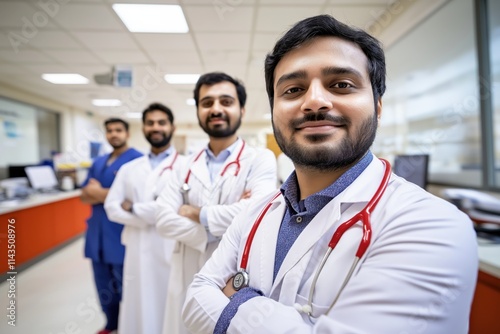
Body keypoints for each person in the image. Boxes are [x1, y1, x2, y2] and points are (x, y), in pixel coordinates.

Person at [182, 15, 478, 333]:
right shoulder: (254, 214)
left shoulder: (433, 226)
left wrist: (236, 302)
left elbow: (209, 310)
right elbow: (193, 303)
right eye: (293, 90)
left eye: (341, 85)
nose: (314, 102)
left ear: (377, 106)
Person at [155, 72, 278, 334]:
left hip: (233, 276)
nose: (216, 109)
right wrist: (213, 230)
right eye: (207, 103)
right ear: (198, 110)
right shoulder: (183, 165)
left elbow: (258, 213)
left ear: (241, 109)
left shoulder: (260, 159)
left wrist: (194, 212)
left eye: (226, 101)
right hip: (186, 269)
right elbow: (163, 220)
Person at [104, 103, 185, 334]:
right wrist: (156, 213)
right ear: (143, 128)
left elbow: (184, 209)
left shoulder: (187, 166)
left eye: (161, 122)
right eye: (150, 123)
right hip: (137, 249)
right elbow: (112, 207)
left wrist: (133, 208)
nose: (155, 127)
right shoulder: (130, 168)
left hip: (172, 246)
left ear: (172, 127)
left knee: (171, 303)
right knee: (139, 304)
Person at [80, 118, 142, 334]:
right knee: (103, 286)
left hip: (120, 234)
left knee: (127, 286)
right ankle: (112, 324)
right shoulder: (98, 162)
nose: (114, 134)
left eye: (118, 130)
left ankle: (129, 326)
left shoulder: (138, 161)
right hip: (97, 235)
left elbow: (135, 200)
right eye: (109, 131)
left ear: (127, 133)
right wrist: (112, 195)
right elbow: (84, 196)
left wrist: (98, 192)